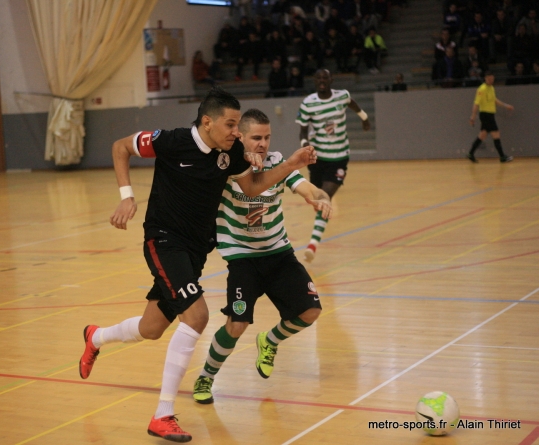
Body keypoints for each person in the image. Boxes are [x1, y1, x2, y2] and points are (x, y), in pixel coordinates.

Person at [78, 87, 318, 443]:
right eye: (231, 124)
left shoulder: (231, 153)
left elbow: (252, 189)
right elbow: (120, 147)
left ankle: (95, 337)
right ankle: (163, 414)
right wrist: (127, 198)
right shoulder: (171, 141)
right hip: (163, 239)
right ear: (207, 122)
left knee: (153, 326)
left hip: (196, 249)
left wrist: (291, 165)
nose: (237, 132)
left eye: (239, 126)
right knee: (197, 317)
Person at [190, 113, 333, 404]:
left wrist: (320, 197)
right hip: (243, 258)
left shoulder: (277, 162)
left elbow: (306, 187)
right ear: (240, 137)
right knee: (237, 323)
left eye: (267, 137)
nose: (263, 144)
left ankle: (270, 340)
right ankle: (206, 375)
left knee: (310, 312)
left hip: (278, 253)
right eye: (257, 138)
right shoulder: (225, 165)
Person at [297, 69, 370, 261]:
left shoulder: (342, 96)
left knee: (325, 197)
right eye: (318, 78)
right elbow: (303, 131)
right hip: (318, 158)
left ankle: (313, 244)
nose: (322, 81)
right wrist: (305, 146)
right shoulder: (308, 103)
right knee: (317, 198)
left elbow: (353, 104)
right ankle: (320, 206)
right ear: (314, 81)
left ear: (331, 80)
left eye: (325, 78)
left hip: (339, 157)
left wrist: (364, 118)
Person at [467, 71, 514, 163]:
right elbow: (476, 104)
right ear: (485, 78)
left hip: (490, 115)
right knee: (496, 134)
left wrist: (506, 105)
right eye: (489, 79)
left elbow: (494, 100)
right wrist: (472, 117)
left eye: (492, 79)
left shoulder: (491, 88)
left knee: (482, 135)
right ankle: (502, 157)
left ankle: (470, 153)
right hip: (485, 115)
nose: (491, 81)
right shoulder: (482, 89)